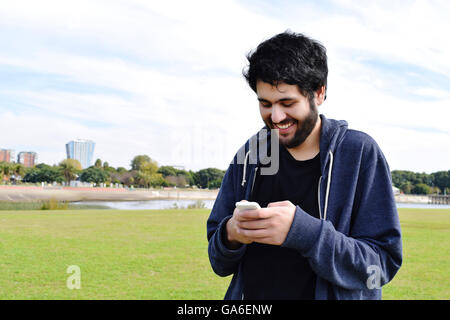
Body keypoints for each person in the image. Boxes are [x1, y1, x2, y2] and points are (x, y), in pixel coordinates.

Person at [206, 31, 402, 300]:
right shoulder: (253, 153)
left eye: (287, 103)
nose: (275, 117)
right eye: (265, 104)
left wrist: (304, 233)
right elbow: (218, 261)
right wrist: (231, 234)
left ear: (319, 93)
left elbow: (380, 269)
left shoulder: (359, 153)